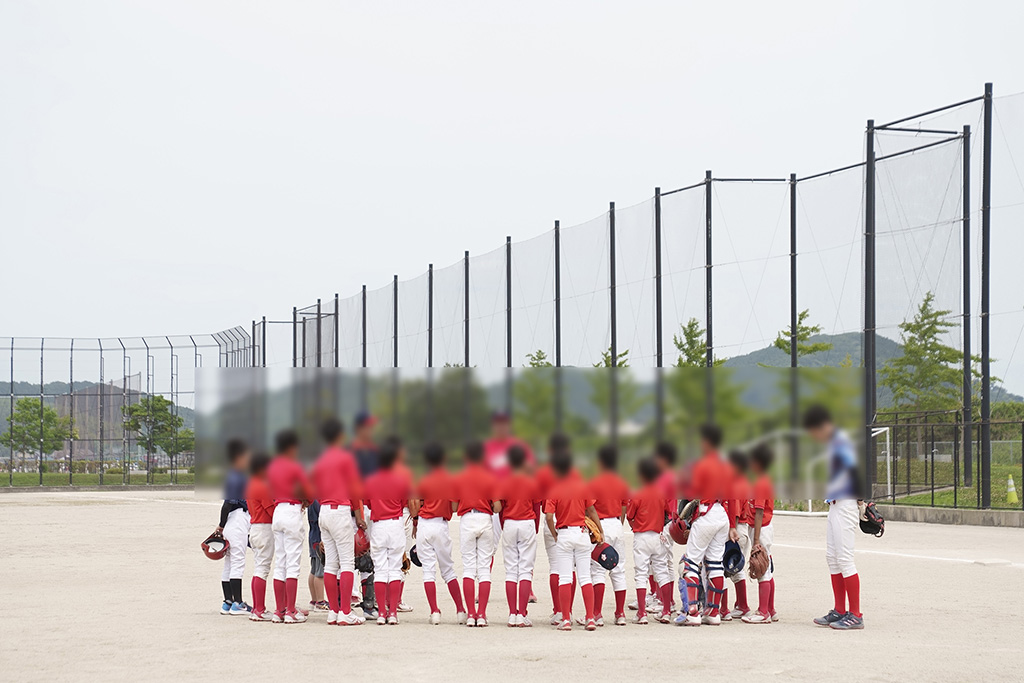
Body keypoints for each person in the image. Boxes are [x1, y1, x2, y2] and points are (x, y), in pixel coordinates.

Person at [804, 405, 864, 631]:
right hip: (835, 504)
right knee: (832, 557)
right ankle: (840, 609)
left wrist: (859, 500)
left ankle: (855, 614)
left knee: (845, 559)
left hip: (845, 504)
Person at [311, 417, 366, 626]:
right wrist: (359, 517)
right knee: (347, 563)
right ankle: (345, 612)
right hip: (340, 511)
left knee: (331, 565)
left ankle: (333, 612)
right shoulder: (345, 458)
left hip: (324, 511)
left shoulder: (320, 459)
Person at [544, 444, 601, 632]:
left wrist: (554, 534)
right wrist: (600, 531)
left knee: (565, 577)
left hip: (565, 533)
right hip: (582, 532)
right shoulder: (582, 486)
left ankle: (566, 619)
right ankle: (590, 618)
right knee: (585, 577)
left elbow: (549, 516)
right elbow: (591, 510)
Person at [678, 424, 730, 627]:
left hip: (705, 513)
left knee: (690, 563)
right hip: (721, 514)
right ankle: (713, 613)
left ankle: (692, 612)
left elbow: (692, 492)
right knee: (716, 564)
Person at [364, 437, 417, 625]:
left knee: (380, 570)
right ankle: (393, 612)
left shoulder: (370, 480)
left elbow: (368, 503)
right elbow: (405, 504)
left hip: (379, 525)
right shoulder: (401, 480)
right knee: (395, 569)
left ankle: (381, 613)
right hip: (395, 524)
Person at [413, 442, 466, 625]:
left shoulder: (423, 479)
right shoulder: (450, 479)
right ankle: (460, 610)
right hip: (441, 524)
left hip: (424, 524)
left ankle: (434, 611)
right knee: (448, 569)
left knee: (428, 570)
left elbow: (416, 504)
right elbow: (454, 507)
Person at [268, 429, 314, 624]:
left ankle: (279, 610)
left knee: (280, 563)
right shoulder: (295, 466)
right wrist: (307, 500)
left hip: (278, 510)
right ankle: (291, 611)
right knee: (292, 564)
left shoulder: (272, 466)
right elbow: (308, 492)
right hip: (292, 511)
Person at [454, 440, 500, 627]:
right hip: (485, 518)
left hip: (467, 519)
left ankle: (471, 614)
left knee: (468, 569)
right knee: (484, 569)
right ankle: (481, 614)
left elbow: (454, 506)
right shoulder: (490, 478)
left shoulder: (459, 477)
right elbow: (497, 507)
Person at [626, 458, 675, 624]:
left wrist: (634, 525)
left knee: (641, 573)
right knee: (662, 571)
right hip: (657, 535)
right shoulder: (661, 493)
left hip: (642, 536)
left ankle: (642, 613)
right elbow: (668, 512)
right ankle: (666, 611)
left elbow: (630, 516)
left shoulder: (637, 493)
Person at [496, 444, 539, 627]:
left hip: (509, 523)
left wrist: (504, 525)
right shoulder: (532, 482)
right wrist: (535, 527)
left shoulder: (504, 482)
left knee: (511, 570)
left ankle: (512, 614)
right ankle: (522, 613)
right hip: (527, 522)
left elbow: (500, 509)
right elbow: (537, 507)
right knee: (525, 569)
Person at [536, 433, 575, 625]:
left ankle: (558, 610)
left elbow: (538, 498)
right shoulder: (574, 471)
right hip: (572, 519)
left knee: (555, 566)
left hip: (551, 516)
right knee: (571, 567)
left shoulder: (544, 471)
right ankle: (569, 610)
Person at [588, 444, 630, 626]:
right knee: (618, 569)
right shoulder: (621, 481)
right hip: (616, 523)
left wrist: (597, 530)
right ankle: (620, 613)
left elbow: (590, 508)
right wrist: (619, 524)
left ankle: (597, 614)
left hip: (601, 525)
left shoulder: (594, 482)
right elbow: (624, 506)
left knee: (597, 570)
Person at [741, 443, 777, 624]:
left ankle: (763, 612)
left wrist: (755, 540)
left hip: (761, 528)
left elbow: (760, 512)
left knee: (761, 567)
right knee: (766, 567)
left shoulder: (761, 482)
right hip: (760, 527)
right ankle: (770, 609)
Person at [215, 439, 251, 616]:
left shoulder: (233, 475)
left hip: (232, 521)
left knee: (229, 563)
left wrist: (222, 525)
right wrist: (220, 526)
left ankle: (228, 602)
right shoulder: (237, 476)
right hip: (237, 520)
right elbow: (228, 504)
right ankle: (238, 603)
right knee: (237, 562)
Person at [350, 411, 379, 618]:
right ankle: (347, 599)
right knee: (352, 553)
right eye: (368, 426)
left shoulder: (375, 451)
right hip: (355, 510)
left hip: (373, 508)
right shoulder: (351, 452)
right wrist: (358, 512)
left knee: (370, 556)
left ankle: (369, 603)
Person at [245, 452, 275, 622]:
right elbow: (271, 510)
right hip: (264, 528)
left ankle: (257, 608)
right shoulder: (262, 485)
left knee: (259, 568)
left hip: (255, 526)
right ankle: (260, 610)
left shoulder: (251, 483)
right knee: (263, 568)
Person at [723, 449, 752, 621]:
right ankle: (741, 605)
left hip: (736, 528)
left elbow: (734, 509)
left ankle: (726, 608)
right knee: (735, 569)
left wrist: (731, 528)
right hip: (742, 527)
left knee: (724, 567)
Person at [307, 501, 327, 613]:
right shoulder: (317, 500)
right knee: (320, 572)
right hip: (319, 535)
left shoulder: (311, 499)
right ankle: (320, 601)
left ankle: (314, 600)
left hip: (313, 535)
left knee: (314, 569)